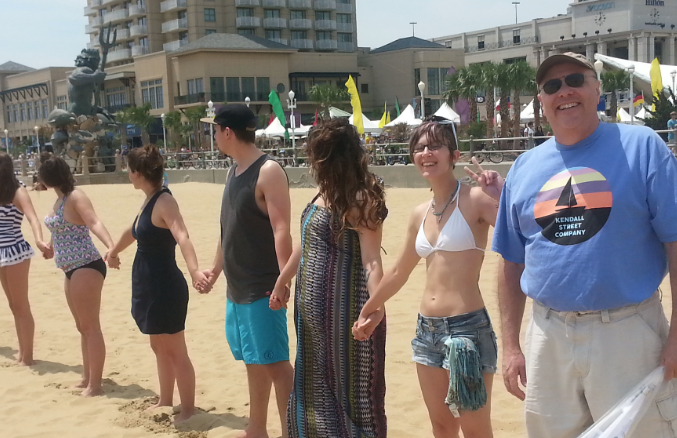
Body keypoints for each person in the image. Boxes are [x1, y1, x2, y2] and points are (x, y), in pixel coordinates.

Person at [493, 52, 677, 438]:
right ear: (541, 100)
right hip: (547, 336)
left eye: (575, 80)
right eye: (552, 86)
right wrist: (510, 346)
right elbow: (511, 262)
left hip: (627, 333)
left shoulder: (642, 147)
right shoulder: (524, 168)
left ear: (598, 89)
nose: (565, 92)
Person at [352, 116, 503, 438]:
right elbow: (398, 271)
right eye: (419, 147)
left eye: (435, 145)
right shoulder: (419, 212)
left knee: (475, 429)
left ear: (454, 155)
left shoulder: (475, 199)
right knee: (441, 426)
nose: (426, 153)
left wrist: (502, 196)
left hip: (467, 329)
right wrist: (370, 310)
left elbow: (521, 233)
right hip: (426, 331)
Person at [266, 118, 388, 438]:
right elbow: (305, 246)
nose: (314, 164)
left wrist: (376, 306)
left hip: (346, 320)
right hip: (312, 324)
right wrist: (282, 282)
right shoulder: (324, 193)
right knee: (312, 394)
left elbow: (372, 261)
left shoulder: (361, 197)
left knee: (354, 398)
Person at [199, 105, 294, 438]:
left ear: (227, 132)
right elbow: (228, 228)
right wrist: (215, 268)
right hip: (237, 288)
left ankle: (289, 432)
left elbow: (282, 229)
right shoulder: (233, 170)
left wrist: (284, 280)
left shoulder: (268, 170)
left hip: (263, 287)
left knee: (277, 365)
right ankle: (257, 428)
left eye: (215, 130)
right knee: (254, 361)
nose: (213, 136)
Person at [104, 145, 207, 422]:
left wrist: (196, 271)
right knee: (158, 347)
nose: (128, 173)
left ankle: (188, 410)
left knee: (176, 351)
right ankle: (165, 399)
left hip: (165, 288)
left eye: (129, 169)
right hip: (149, 287)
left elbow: (182, 236)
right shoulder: (149, 200)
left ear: (137, 173)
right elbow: (134, 230)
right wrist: (113, 251)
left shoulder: (164, 201)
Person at [39, 153, 115, 397]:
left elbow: (93, 222)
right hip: (69, 267)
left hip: (86, 264)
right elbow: (62, 227)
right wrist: (50, 247)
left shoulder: (75, 196)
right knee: (82, 326)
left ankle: (96, 384)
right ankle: (87, 377)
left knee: (91, 327)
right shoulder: (60, 199)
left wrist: (111, 247)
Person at [0, 152, 48, 364]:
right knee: (13, 305)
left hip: (16, 250)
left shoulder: (18, 191)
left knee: (21, 304)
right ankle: (22, 353)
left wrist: (39, 240)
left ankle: (28, 356)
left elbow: (32, 217)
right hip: (0, 252)